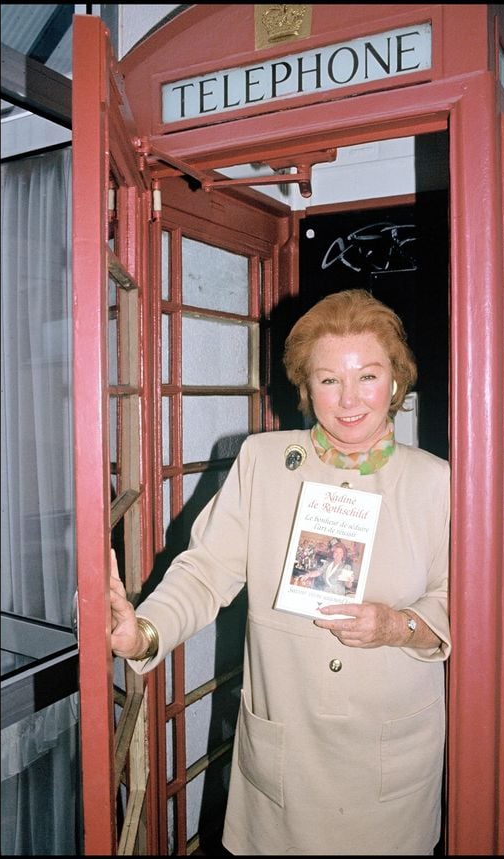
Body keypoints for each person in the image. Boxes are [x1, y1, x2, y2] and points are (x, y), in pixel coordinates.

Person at [110, 288, 451, 856]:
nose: (348, 400)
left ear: (395, 382)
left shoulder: (436, 481)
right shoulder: (262, 463)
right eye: (328, 380)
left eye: (367, 376)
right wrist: (144, 630)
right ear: (305, 387)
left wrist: (398, 626)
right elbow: (204, 570)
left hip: (389, 768)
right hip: (285, 765)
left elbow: (461, 599)